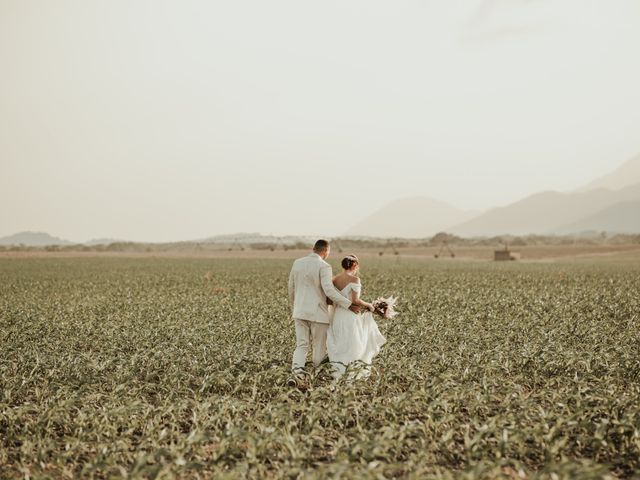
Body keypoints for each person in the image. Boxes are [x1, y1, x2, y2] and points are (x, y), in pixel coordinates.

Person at [287, 240, 360, 382]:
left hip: (299, 311)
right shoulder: (324, 266)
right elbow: (329, 291)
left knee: (301, 345)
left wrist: (294, 308)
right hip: (317, 313)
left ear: (313, 248)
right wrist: (348, 304)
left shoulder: (297, 262)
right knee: (319, 348)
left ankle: (297, 375)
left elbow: (291, 287)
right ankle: (314, 377)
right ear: (326, 251)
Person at [327, 254, 386, 380]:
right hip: (350, 315)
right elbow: (356, 300)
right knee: (353, 343)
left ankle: (339, 373)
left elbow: (331, 300)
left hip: (338, 315)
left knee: (341, 343)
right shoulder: (355, 280)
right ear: (354, 265)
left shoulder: (334, 279)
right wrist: (369, 305)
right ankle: (352, 373)